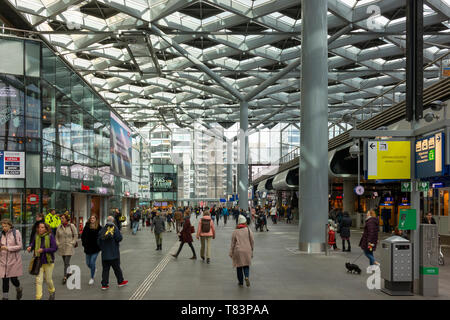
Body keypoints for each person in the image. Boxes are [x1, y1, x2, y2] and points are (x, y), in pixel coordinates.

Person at [27, 221, 57, 300]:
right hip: (38, 261)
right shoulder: (36, 236)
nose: (40, 229)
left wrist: (44, 250)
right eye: (39, 227)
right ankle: (38, 297)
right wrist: (30, 247)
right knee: (38, 280)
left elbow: (54, 248)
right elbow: (32, 244)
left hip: (48, 261)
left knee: (48, 280)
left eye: (42, 227)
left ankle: (52, 291)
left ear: (46, 229)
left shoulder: (50, 236)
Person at [97, 216, 128, 290]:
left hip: (105, 254)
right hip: (114, 253)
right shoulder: (115, 228)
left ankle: (104, 285)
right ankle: (120, 282)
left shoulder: (102, 229)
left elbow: (98, 242)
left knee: (105, 269)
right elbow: (119, 238)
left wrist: (103, 248)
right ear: (113, 221)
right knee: (117, 268)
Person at [0, 219, 23, 300]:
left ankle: (19, 288)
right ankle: (5, 297)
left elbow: (19, 246)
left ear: (10, 225)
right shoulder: (1, 234)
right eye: (2, 226)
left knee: (13, 279)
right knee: (5, 280)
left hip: (14, 260)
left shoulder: (16, 232)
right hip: (3, 261)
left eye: (5, 226)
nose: (4, 228)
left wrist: (7, 248)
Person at [229, 215, 254, 287]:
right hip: (247, 250)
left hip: (238, 251)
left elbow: (233, 243)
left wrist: (231, 252)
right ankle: (246, 276)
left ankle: (240, 282)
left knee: (239, 266)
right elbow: (252, 241)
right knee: (246, 265)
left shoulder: (235, 231)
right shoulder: (249, 230)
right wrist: (251, 249)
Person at [55, 213, 78, 285]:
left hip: (69, 246)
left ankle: (65, 277)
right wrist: (58, 243)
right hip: (61, 247)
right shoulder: (59, 227)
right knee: (65, 262)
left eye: (63, 218)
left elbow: (76, 235)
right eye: (61, 218)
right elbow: (56, 236)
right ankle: (69, 272)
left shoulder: (72, 226)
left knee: (66, 262)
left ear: (66, 219)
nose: (61, 219)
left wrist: (73, 242)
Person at [81, 215, 102, 285]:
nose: (92, 219)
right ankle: (94, 269)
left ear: (96, 219)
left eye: (93, 218)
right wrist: (84, 243)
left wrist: (100, 245)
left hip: (96, 248)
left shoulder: (99, 227)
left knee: (92, 262)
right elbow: (83, 236)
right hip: (88, 248)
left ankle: (92, 278)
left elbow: (101, 237)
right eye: (91, 218)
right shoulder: (87, 226)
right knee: (88, 263)